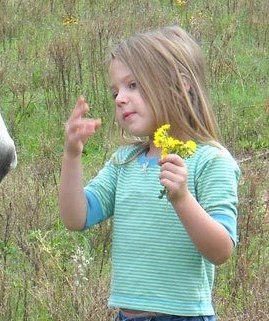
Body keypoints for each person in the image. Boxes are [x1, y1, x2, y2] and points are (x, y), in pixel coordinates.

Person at [59, 26, 240, 321]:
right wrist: (72, 155)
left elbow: (221, 250)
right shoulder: (125, 162)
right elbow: (76, 217)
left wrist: (181, 198)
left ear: (181, 86)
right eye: (115, 91)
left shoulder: (210, 160)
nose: (120, 98)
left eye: (133, 85)